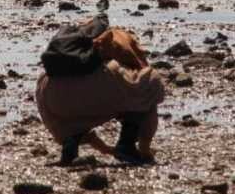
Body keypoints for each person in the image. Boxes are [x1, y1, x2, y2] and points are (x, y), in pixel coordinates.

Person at [36, 22, 162, 165]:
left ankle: (69, 150)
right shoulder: (117, 38)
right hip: (95, 89)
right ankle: (127, 145)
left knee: (76, 109)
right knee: (147, 84)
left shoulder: (63, 51)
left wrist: (106, 149)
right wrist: (145, 149)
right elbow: (139, 72)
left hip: (54, 97)